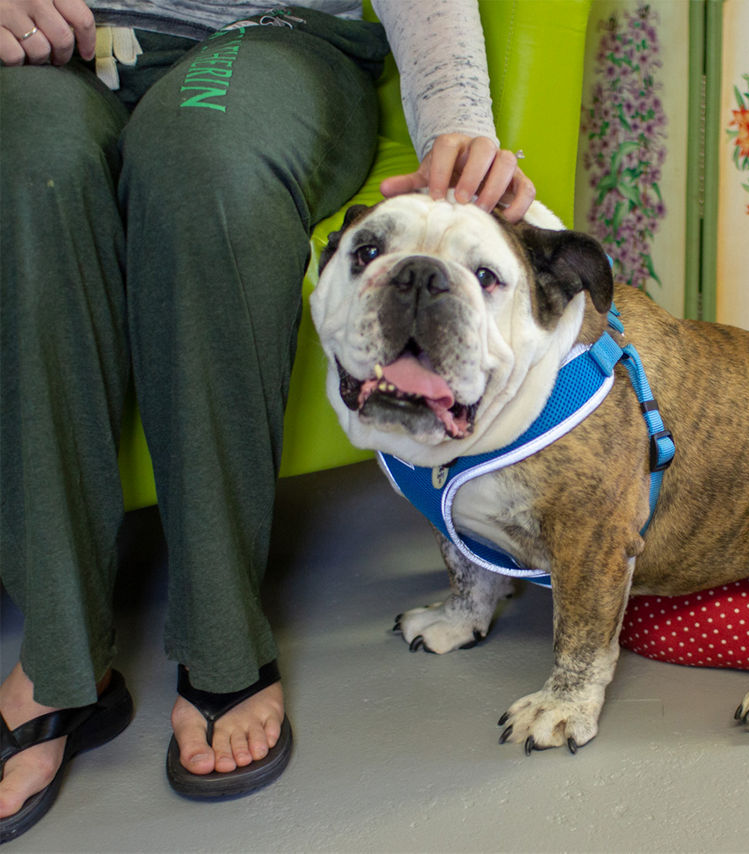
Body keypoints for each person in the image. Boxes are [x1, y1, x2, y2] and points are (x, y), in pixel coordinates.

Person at [0, 0, 534, 840]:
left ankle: (222, 640)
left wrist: (457, 120)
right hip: (51, 45)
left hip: (267, 42)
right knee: (20, 164)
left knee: (200, 162)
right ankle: (58, 661)